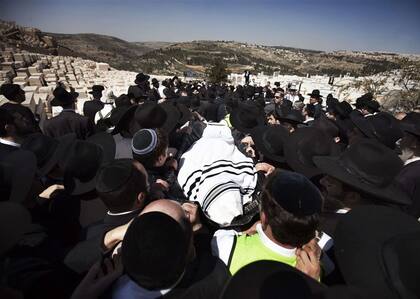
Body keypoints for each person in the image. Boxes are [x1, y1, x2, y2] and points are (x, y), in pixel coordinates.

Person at [211, 170, 322, 280]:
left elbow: (219, 235)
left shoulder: (227, 246)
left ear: (264, 218)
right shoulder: (315, 266)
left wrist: (247, 231)